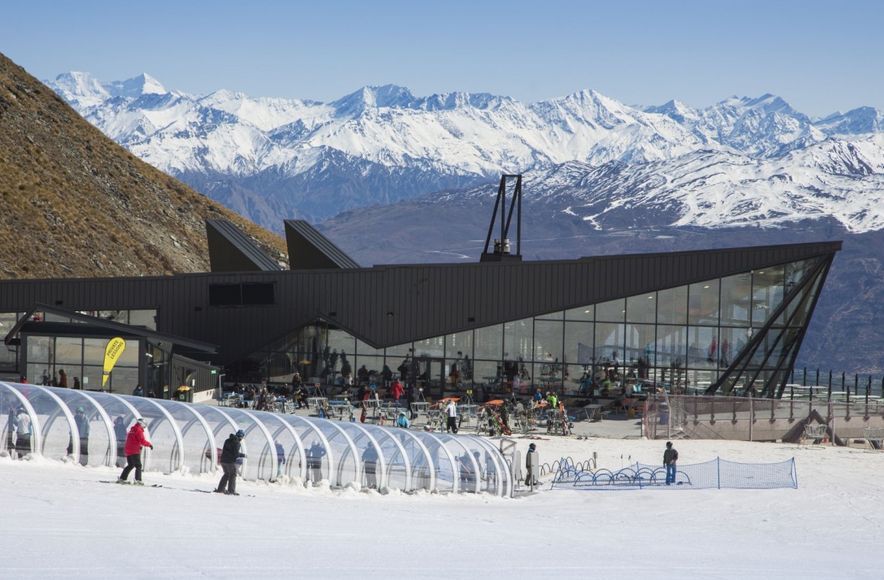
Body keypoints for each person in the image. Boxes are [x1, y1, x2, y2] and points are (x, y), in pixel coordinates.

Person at [118, 418, 153, 485]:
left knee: (131, 465)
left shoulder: (132, 430)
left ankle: (122, 478)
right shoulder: (138, 430)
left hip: (128, 450)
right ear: (142, 424)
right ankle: (138, 480)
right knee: (138, 465)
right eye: (144, 425)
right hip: (134, 450)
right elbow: (142, 440)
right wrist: (149, 444)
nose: (145, 427)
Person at [216, 430, 246, 495]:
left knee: (226, 474)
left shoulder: (227, 440)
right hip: (229, 461)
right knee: (233, 475)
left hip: (223, 460)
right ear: (241, 437)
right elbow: (235, 454)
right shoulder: (237, 443)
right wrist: (243, 455)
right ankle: (231, 491)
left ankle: (220, 489)